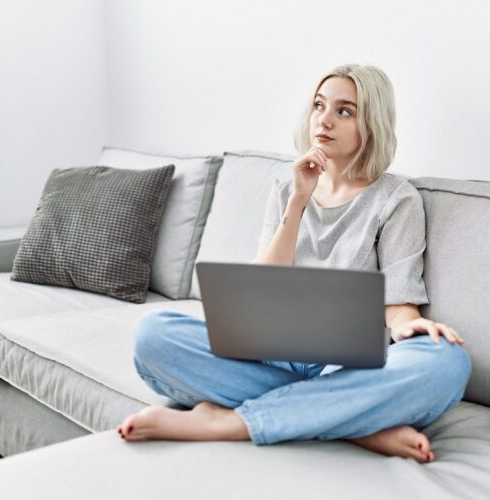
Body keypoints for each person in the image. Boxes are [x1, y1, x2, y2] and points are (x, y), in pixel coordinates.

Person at [117, 64, 471, 463]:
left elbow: (398, 305)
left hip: (347, 365)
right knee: (152, 334)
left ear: (371, 124)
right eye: (320, 105)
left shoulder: (396, 199)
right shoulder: (288, 185)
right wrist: (298, 199)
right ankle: (355, 423)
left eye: (345, 111)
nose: (324, 119)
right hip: (271, 351)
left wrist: (411, 328)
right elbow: (260, 288)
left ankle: (230, 422)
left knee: (448, 362)